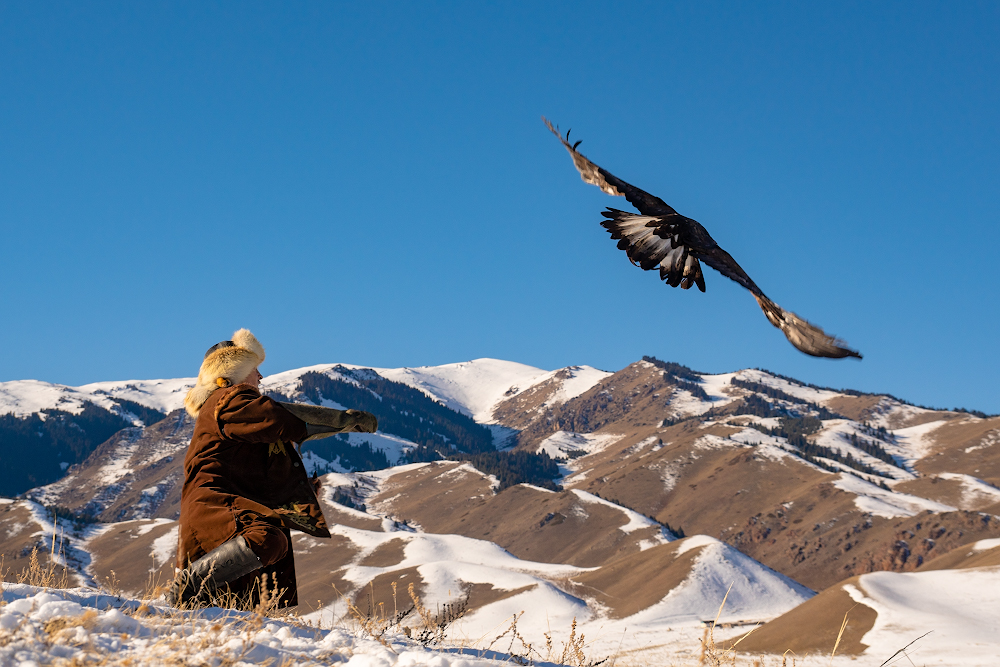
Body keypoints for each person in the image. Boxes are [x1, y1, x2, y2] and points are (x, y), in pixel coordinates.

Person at [167, 328, 377, 608]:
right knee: (267, 538)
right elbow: (279, 419)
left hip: (222, 503)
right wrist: (342, 420)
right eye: (254, 370)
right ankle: (184, 588)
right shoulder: (229, 400)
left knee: (230, 605)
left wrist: (297, 490)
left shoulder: (231, 409)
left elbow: (263, 462)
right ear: (235, 372)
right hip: (216, 503)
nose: (260, 377)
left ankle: (190, 598)